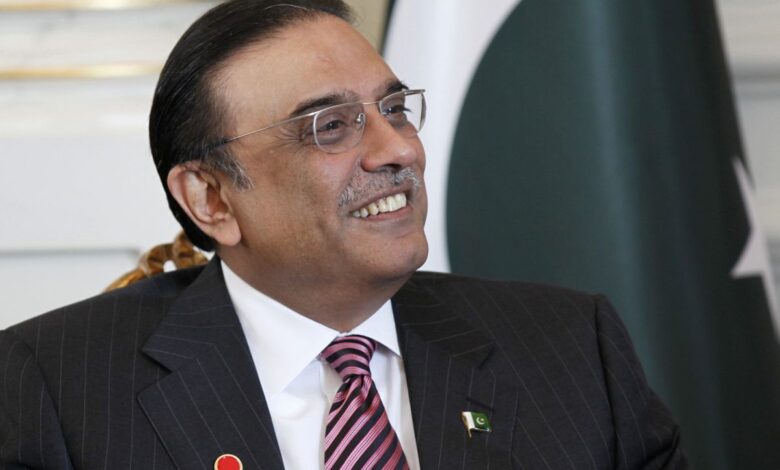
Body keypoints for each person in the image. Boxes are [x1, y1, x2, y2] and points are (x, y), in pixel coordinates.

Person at [0, 1, 687, 468]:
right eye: (330, 126)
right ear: (210, 198)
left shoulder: (572, 348)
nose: (399, 150)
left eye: (395, 108)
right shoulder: (52, 388)